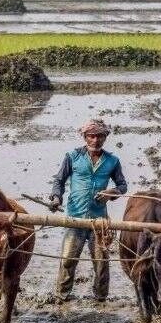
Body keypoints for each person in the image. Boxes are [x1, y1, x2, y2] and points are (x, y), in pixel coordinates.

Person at [49, 119, 128, 303]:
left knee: (101, 262)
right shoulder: (72, 156)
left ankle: (100, 298)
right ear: (85, 137)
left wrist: (112, 192)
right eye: (91, 136)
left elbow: (122, 185)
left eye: (99, 136)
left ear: (105, 138)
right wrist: (56, 198)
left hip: (99, 220)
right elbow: (59, 181)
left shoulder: (112, 161)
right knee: (68, 259)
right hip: (75, 218)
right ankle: (61, 296)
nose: (95, 140)